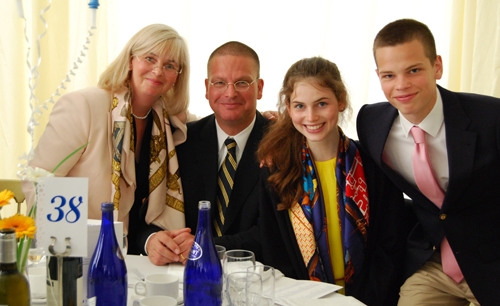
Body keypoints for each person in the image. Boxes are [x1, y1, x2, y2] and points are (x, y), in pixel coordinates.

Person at [356, 18, 500, 305]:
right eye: (389, 75)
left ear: (437, 66)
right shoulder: (371, 122)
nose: (401, 85)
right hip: (434, 264)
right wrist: (278, 133)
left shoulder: (490, 119)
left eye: (413, 70)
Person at [23, 24, 194, 259]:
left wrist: (263, 124)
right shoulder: (83, 106)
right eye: (150, 58)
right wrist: (69, 252)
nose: (158, 71)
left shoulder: (167, 119)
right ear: (131, 60)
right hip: (79, 255)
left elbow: (217, 125)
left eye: (170, 65)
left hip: (134, 258)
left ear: (177, 76)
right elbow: (39, 183)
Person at [257, 57, 409, 305]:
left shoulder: (375, 166)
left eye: (321, 104)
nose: (311, 116)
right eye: (300, 106)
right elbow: (275, 252)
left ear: (341, 101)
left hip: (367, 299)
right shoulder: (276, 171)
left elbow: (389, 248)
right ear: (288, 107)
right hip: (300, 300)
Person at [146, 41, 268, 265]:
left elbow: (275, 234)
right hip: (182, 274)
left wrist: (209, 247)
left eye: (242, 82)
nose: (230, 93)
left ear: (259, 88)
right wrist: (152, 240)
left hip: (255, 279)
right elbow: (147, 212)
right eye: (219, 82)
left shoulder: (280, 145)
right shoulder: (180, 141)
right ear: (206, 88)